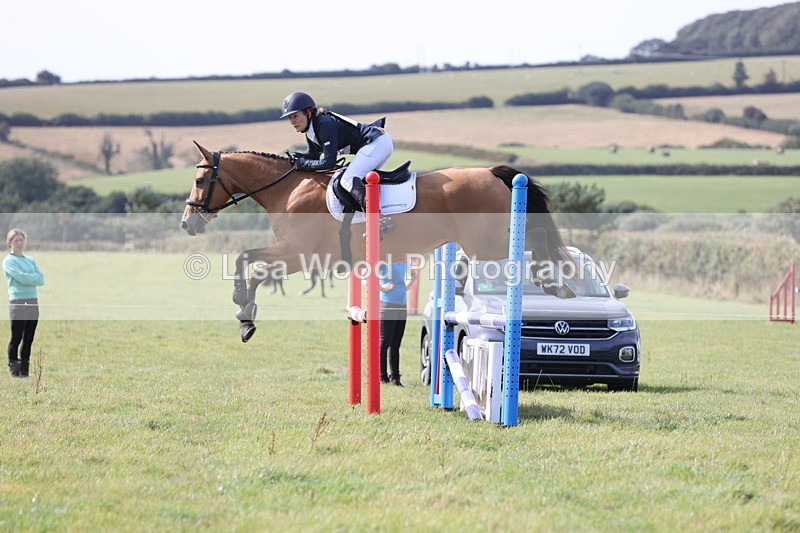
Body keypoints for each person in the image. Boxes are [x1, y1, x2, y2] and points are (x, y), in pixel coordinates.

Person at [280, 91, 393, 212]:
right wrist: (297, 156)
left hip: (376, 143)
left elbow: (329, 163)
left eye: (295, 116)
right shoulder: (311, 129)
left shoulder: (324, 125)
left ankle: (378, 218)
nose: (292, 121)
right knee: (354, 180)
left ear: (308, 112)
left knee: (348, 179)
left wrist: (303, 164)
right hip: (375, 143)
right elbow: (313, 155)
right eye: (290, 118)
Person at [3, 229, 44, 378]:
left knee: (29, 338)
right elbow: (21, 278)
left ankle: (25, 371)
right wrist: (31, 277)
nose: (19, 243)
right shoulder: (8, 261)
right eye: (16, 241)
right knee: (16, 337)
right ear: (10, 243)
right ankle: (14, 369)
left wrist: (29, 277)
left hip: (33, 302)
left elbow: (41, 279)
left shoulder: (30, 260)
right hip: (18, 302)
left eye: (21, 240)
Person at [378, 260, 416, 386]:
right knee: (384, 342)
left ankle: (395, 378)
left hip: (402, 304)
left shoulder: (404, 259)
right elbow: (368, 277)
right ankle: (381, 376)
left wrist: (405, 287)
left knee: (396, 343)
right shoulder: (384, 259)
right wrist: (383, 288)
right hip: (387, 304)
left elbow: (413, 275)